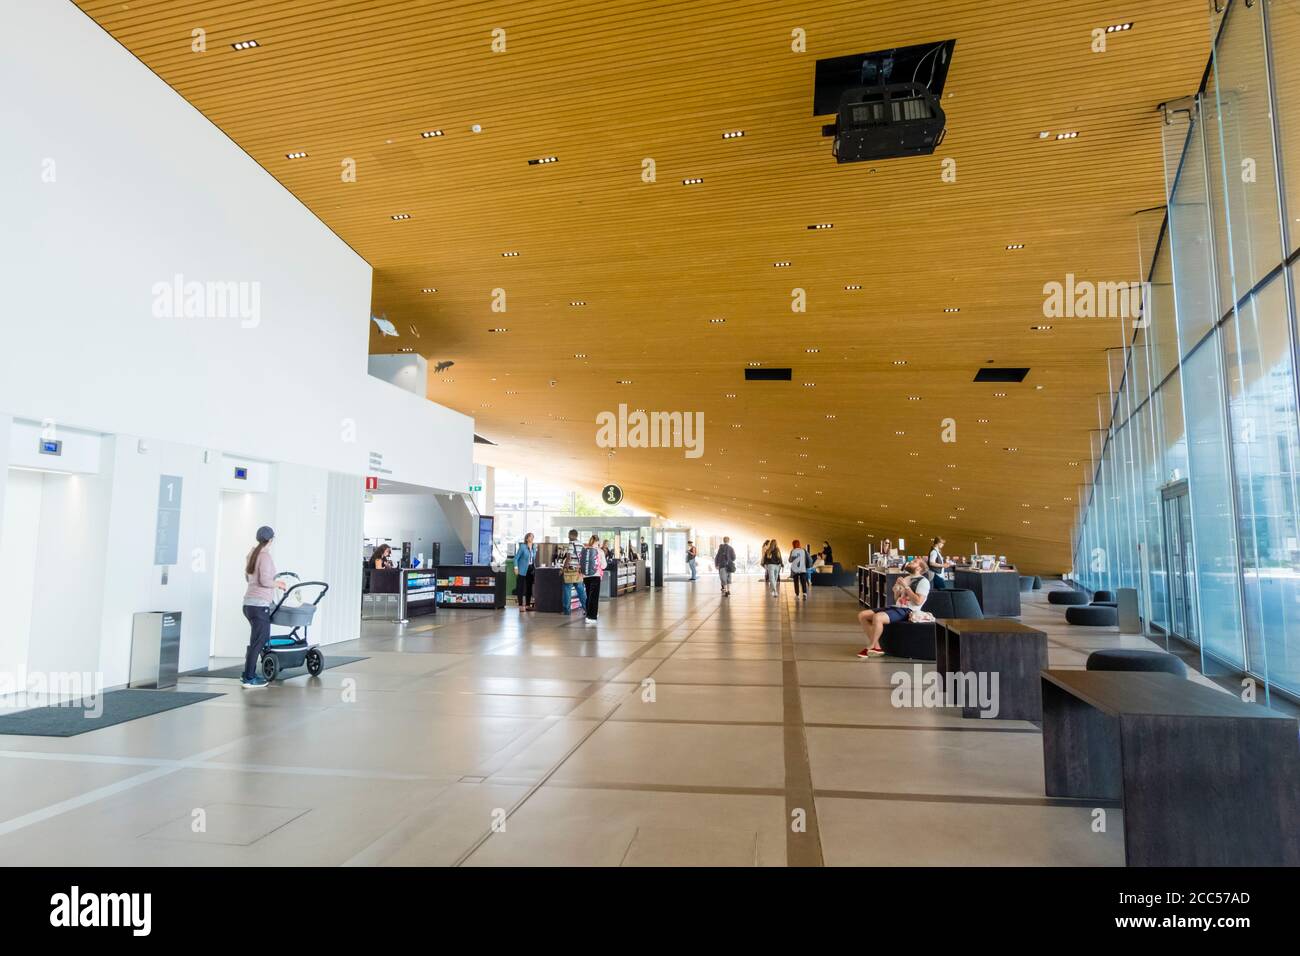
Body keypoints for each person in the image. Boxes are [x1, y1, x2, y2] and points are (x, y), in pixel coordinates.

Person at [857, 558, 931, 658]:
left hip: (908, 610)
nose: (910, 562)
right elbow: (897, 599)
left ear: (919, 568)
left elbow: (918, 601)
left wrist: (906, 586)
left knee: (878, 617)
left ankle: (870, 647)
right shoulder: (907, 578)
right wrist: (896, 591)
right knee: (862, 615)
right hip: (897, 607)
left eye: (914, 562)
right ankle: (877, 647)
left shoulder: (924, 582)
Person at [241, 525, 287, 689]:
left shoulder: (252, 554)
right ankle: (249, 677)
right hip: (259, 605)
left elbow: (248, 578)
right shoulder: (265, 556)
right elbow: (265, 581)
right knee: (259, 642)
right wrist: (279, 584)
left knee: (256, 641)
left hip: (248, 604)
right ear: (271, 540)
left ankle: (247, 673)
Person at [558, 528, 592, 623]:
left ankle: (567, 611)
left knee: (567, 590)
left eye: (569, 535)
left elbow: (568, 558)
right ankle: (587, 609)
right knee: (581, 591)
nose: (568, 537)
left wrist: (563, 569)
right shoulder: (581, 544)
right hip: (578, 571)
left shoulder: (571, 544)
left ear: (572, 535)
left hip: (570, 571)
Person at [581, 534, 605, 622]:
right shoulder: (599, 551)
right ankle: (592, 617)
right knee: (594, 596)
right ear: (598, 542)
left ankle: (588, 614)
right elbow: (604, 565)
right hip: (596, 575)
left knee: (588, 595)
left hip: (586, 576)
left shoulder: (585, 550)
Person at [514, 533, 536, 609]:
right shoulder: (522, 547)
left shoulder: (534, 547)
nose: (532, 538)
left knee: (529, 587)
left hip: (530, 569)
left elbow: (533, 559)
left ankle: (527, 604)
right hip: (522, 569)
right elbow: (516, 558)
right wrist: (516, 568)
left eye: (533, 536)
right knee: (520, 587)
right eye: (530, 536)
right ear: (527, 539)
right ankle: (520, 604)